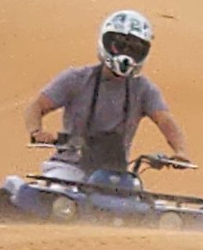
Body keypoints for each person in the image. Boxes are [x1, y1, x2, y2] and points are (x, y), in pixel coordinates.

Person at [23, 10, 189, 181]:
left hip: (115, 173)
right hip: (68, 166)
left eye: (134, 49)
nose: (126, 54)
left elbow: (165, 120)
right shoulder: (76, 79)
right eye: (119, 46)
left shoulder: (144, 89)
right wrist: (37, 132)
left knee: (137, 203)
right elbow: (36, 107)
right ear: (105, 42)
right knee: (52, 196)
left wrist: (180, 151)